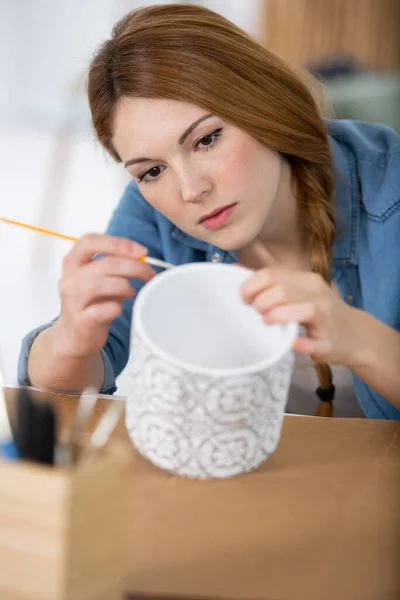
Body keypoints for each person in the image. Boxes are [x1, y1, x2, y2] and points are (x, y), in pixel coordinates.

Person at [18, 4, 400, 420]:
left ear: (266, 104)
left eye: (207, 139)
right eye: (152, 170)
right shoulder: (152, 214)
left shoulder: (390, 190)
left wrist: (364, 342)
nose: (190, 190)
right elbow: (66, 387)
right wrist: (71, 339)